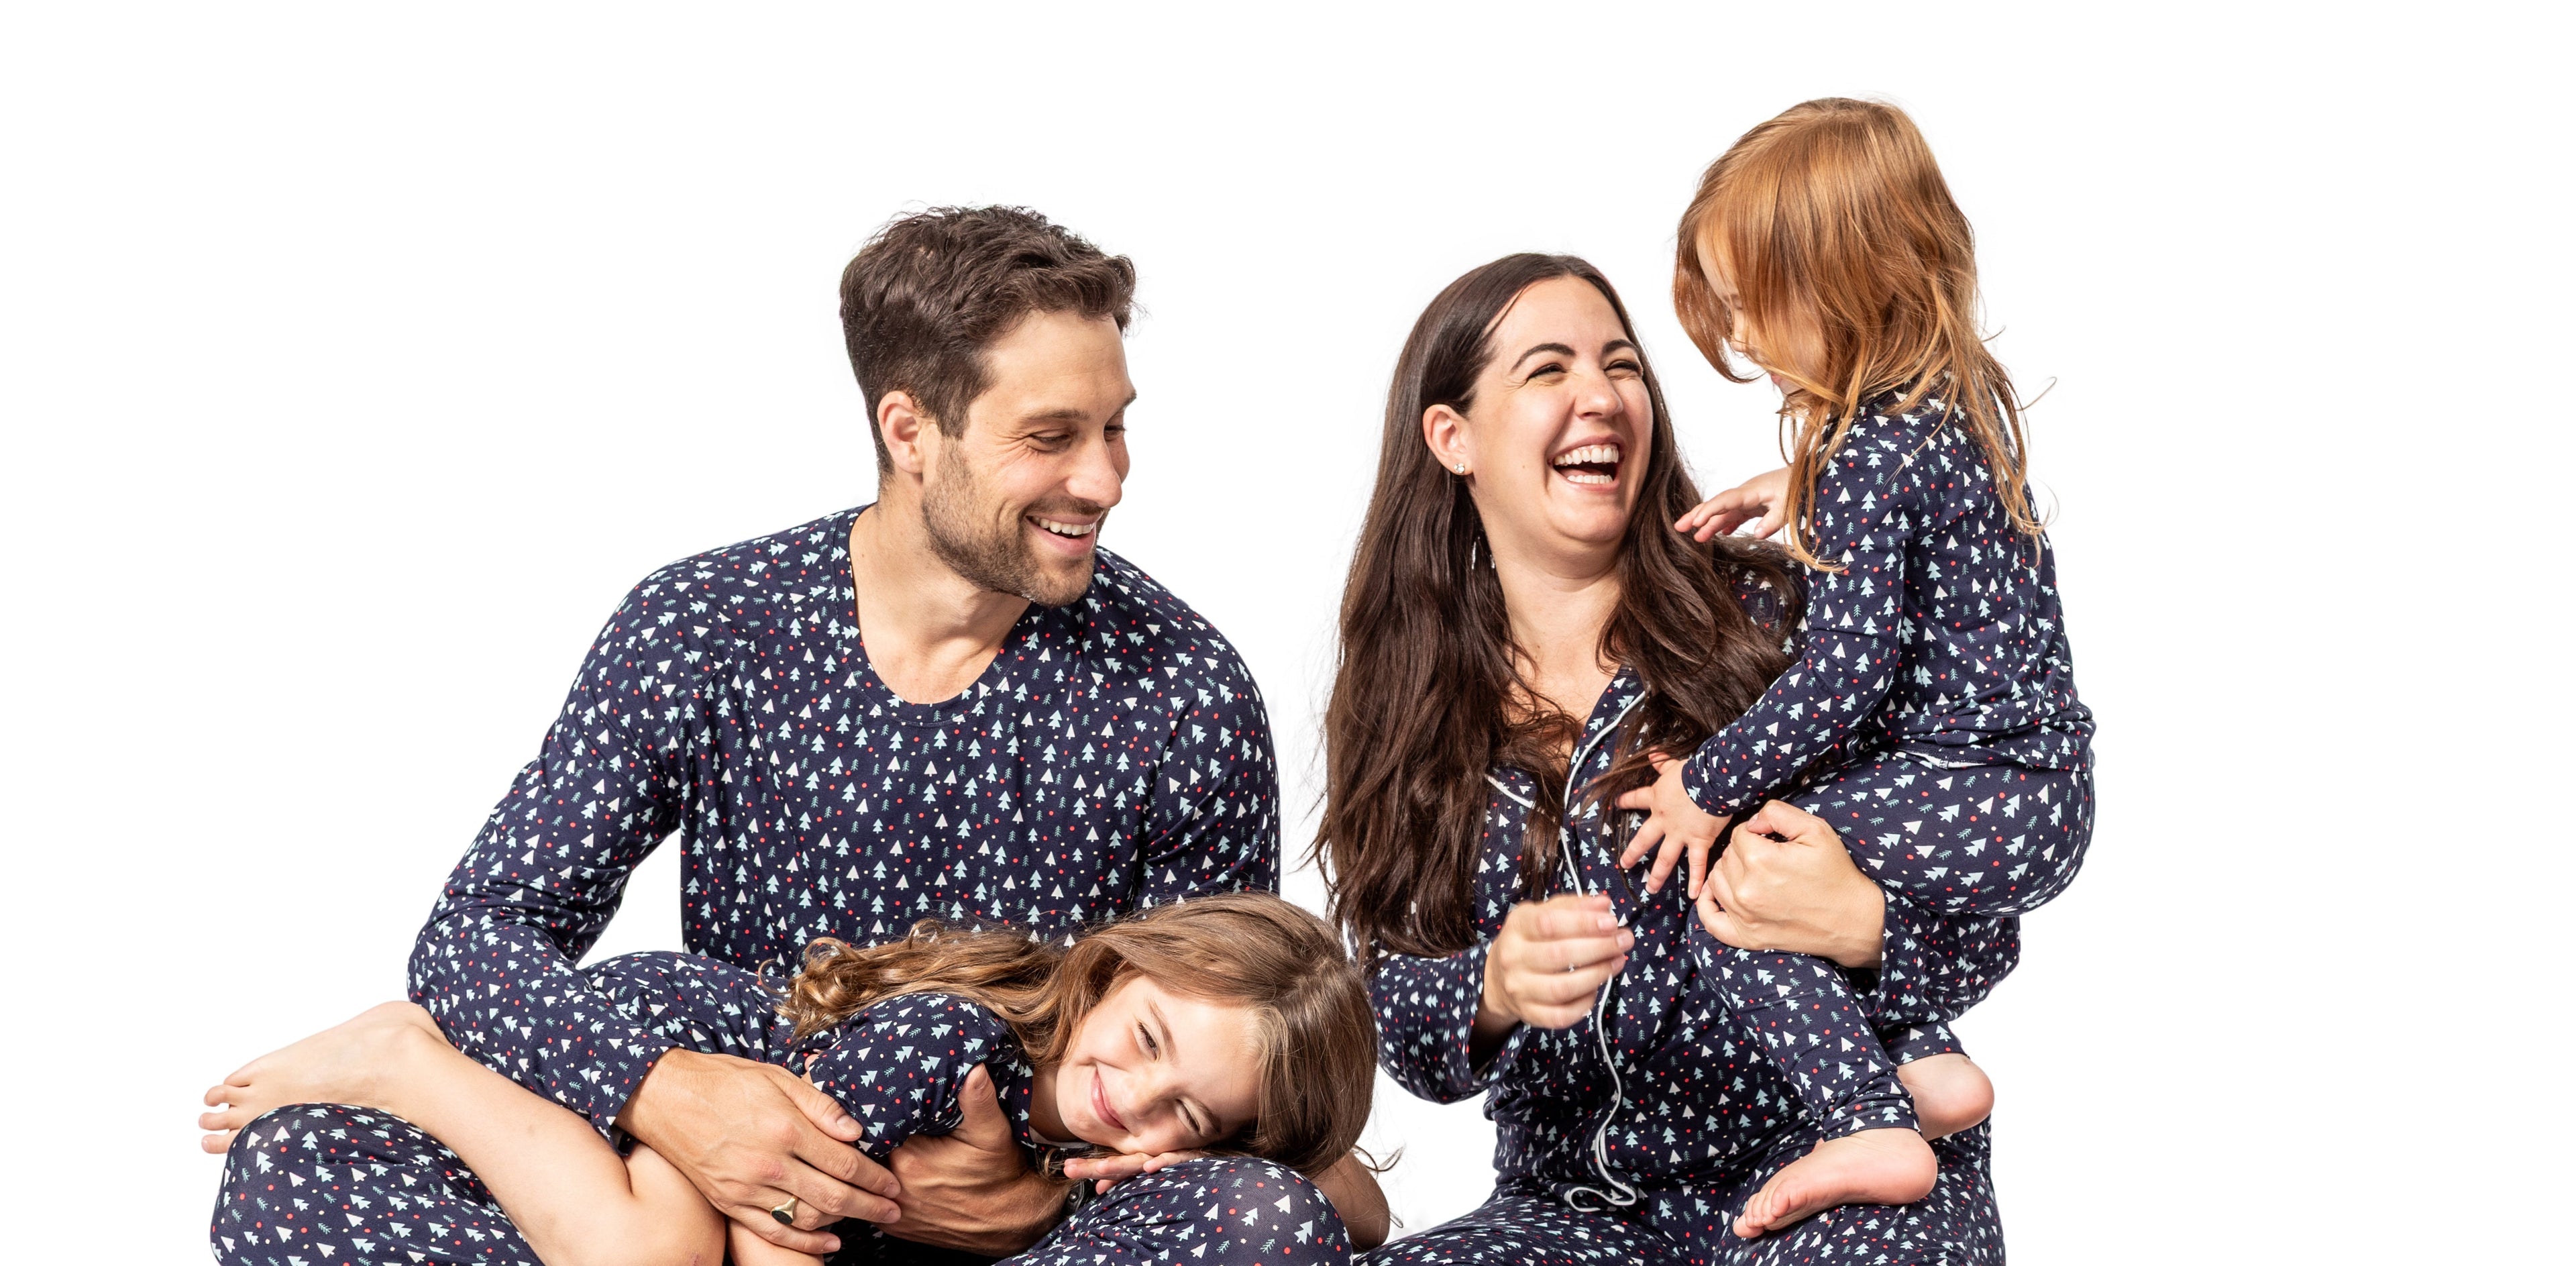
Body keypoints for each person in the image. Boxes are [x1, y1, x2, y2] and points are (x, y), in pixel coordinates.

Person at [205, 205, 1383, 1264]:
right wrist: (662, 1094)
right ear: (911, 429)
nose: (1106, 479)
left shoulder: (1179, 689)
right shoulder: (710, 627)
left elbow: (1237, 1090)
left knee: (1258, 1228)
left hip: (1016, 1239)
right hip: (716, 1194)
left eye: (1117, 429)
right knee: (293, 1167)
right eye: (1052, 436)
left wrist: (1021, 1207)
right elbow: (477, 937)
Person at [1317, 252, 2088, 1264]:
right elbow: (1398, 1022)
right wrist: (1494, 986)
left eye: (1623, 366)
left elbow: (1981, 900)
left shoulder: (1788, 621)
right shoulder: (1409, 706)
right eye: (1548, 371)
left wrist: (1868, 930)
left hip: (1836, 1169)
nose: (1600, 396)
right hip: (1576, 1212)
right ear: (1452, 437)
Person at [1613, 97, 2096, 1236]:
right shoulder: (1954, 407)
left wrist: (1710, 784)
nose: (1740, 341)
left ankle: (1863, 1116)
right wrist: (1803, 494)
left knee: (1736, 882)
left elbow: (1845, 677)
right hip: (2037, 784)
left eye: (1750, 307)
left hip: (1976, 780)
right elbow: (1932, 541)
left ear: (1838, 284)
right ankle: (1924, 1064)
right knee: (1805, 874)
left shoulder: (1868, 458)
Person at [199, 894, 1375, 1266]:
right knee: (642, 1260)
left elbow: (1340, 1205)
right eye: (1154, 1043)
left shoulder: (1107, 1178)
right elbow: (778, 1180)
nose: (1136, 1098)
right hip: (693, 1076)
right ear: (1114, 973)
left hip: (735, 1147)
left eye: (1191, 1117)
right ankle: (416, 1064)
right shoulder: (955, 1045)